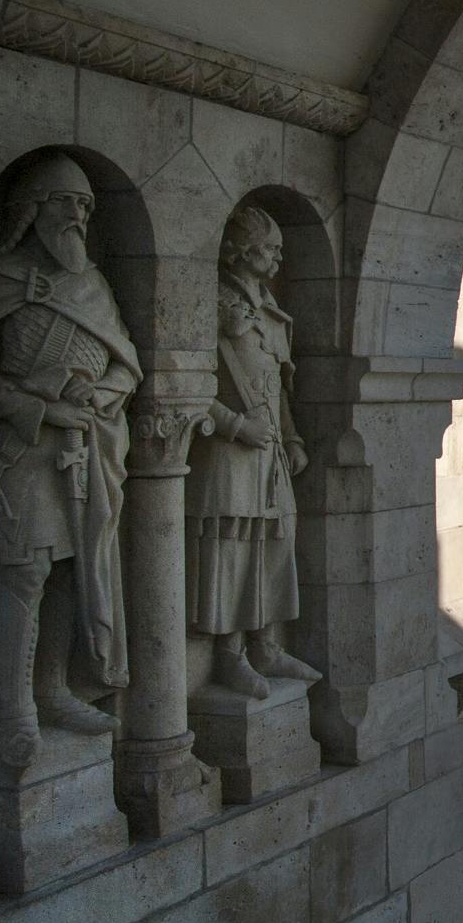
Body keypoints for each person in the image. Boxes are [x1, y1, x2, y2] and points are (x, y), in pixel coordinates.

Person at [0, 154, 140, 767]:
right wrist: (38, 408)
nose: (78, 217)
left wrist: (97, 394)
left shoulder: (93, 285)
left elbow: (124, 363)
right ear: (32, 209)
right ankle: (14, 711)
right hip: (17, 453)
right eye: (66, 203)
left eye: (85, 207)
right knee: (24, 574)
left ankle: (53, 690)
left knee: (69, 570)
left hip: (82, 451)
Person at [186, 206, 321, 699]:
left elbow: (277, 390)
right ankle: (230, 656)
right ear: (243, 249)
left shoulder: (270, 314)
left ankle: (266, 644)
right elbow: (186, 386)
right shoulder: (212, 303)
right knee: (233, 551)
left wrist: (294, 439)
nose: (280, 257)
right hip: (229, 454)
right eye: (271, 248)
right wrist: (237, 426)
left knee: (277, 542)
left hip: (270, 455)